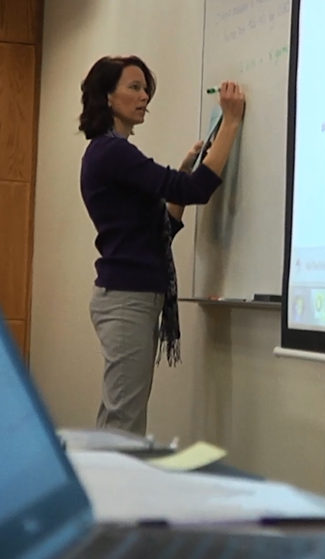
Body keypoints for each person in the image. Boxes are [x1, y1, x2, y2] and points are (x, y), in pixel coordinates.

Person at [78, 55, 246, 435]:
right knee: (124, 422)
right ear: (107, 97)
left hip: (130, 296)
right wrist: (231, 122)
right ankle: (110, 493)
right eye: (134, 87)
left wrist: (185, 168)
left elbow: (163, 229)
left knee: (122, 416)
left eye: (145, 88)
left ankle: (109, 490)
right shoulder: (112, 152)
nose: (144, 96)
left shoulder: (107, 153)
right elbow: (196, 190)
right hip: (126, 298)